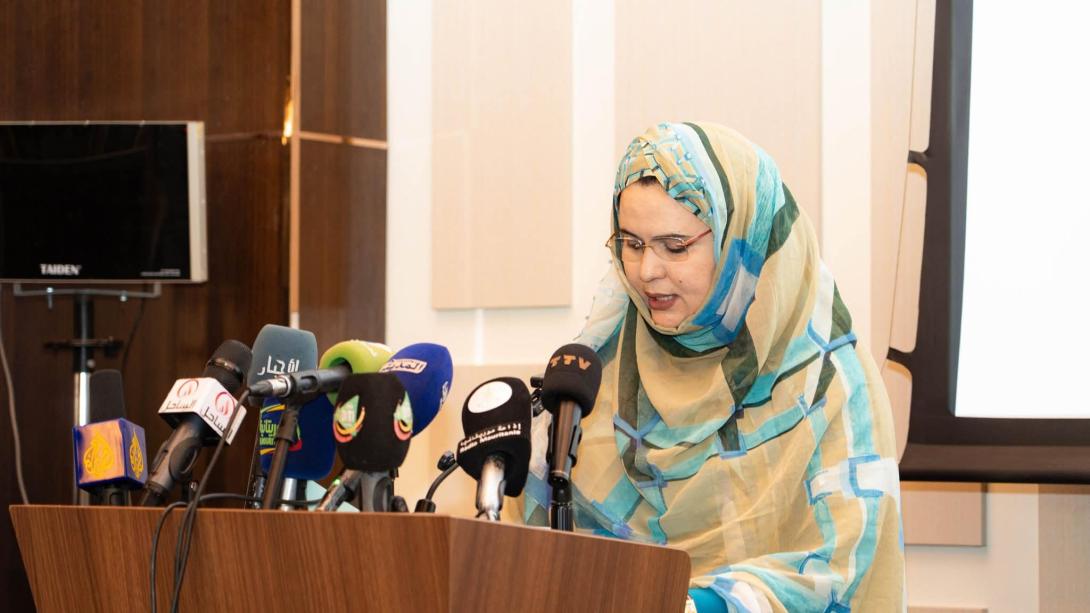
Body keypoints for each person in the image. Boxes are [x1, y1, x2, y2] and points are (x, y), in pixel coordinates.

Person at [509, 122, 905, 612]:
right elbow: (544, 549)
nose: (647, 271)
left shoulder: (827, 380)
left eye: (674, 247)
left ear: (740, 243)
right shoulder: (601, 367)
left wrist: (699, 605)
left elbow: (843, 568)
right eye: (631, 243)